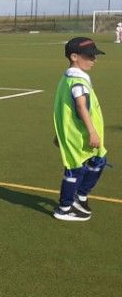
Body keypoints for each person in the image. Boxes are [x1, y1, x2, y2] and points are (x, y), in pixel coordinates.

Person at [52, 37, 107, 221]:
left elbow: (64, 108)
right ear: (74, 56)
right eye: (89, 56)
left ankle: (79, 197)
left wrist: (59, 133)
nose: (94, 60)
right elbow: (80, 106)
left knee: (96, 160)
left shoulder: (68, 78)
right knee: (76, 168)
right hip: (80, 134)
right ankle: (65, 208)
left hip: (74, 132)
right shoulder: (77, 81)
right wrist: (92, 131)